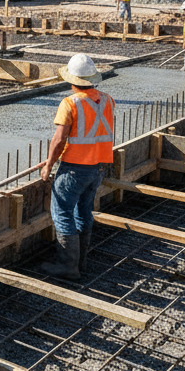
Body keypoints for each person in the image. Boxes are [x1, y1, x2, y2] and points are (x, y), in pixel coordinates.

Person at [38, 54, 115, 282]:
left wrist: (49, 164)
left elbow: (59, 139)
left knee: (62, 213)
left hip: (74, 169)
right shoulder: (108, 100)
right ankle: (81, 263)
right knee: (83, 211)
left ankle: (67, 267)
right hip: (98, 168)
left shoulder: (70, 103)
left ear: (72, 81)